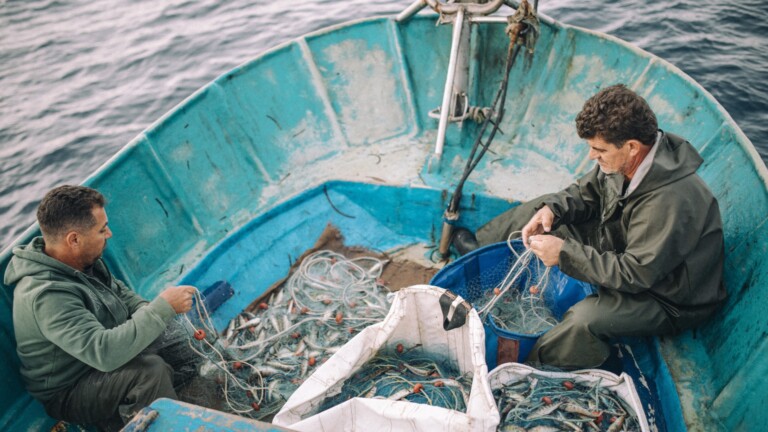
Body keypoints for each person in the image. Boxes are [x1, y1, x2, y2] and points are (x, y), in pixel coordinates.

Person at [453, 84, 727, 369]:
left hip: (666, 297)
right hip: (628, 245)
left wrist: (564, 254)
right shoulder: (627, 158)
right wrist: (553, 210)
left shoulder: (671, 200)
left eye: (598, 149)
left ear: (632, 147)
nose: (591, 156)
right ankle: (482, 248)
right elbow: (587, 192)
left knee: (583, 321)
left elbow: (636, 273)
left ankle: (531, 369)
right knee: (546, 209)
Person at [5, 185, 204, 430]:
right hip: (72, 388)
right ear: (74, 239)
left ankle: (173, 403)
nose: (109, 234)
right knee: (149, 373)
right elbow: (105, 353)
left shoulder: (82, 260)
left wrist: (157, 316)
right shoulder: (47, 296)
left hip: (103, 357)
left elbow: (124, 296)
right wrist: (162, 308)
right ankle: (135, 420)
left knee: (175, 338)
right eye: (102, 229)